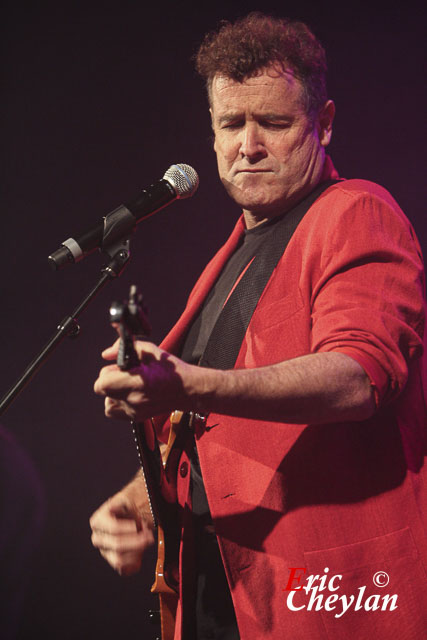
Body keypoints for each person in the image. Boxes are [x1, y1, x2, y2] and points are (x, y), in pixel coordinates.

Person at [89, 13, 427, 640]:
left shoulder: (356, 213)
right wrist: (143, 496)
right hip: (230, 594)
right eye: (230, 124)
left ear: (322, 124)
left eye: (272, 123)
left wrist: (190, 385)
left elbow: (358, 376)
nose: (248, 145)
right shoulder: (233, 255)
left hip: (327, 597)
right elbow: (209, 420)